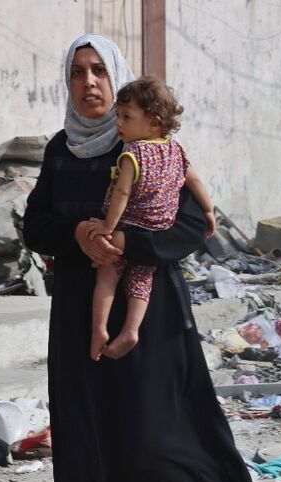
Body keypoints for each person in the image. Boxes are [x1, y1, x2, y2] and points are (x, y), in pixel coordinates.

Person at [22, 34, 272, 482]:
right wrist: (79, 233)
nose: (89, 83)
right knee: (87, 455)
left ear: (118, 81)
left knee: (157, 446)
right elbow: (34, 224)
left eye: (99, 73)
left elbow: (190, 226)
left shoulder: (147, 144)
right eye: (78, 73)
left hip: (149, 314)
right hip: (77, 318)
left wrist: (125, 244)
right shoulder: (60, 150)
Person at [86, 76, 216, 361]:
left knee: (107, 274)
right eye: (118, 116)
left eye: (126, 117)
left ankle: (99, 328)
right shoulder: (177, 150)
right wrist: (208, 211)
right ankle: (131, 330)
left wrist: (107, 226)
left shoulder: (133, 154)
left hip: (129, 224)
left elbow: (121, 193)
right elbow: (194, 181)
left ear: (154, 122)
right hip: (158, 230)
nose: (118, 123)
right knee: (141, 283)